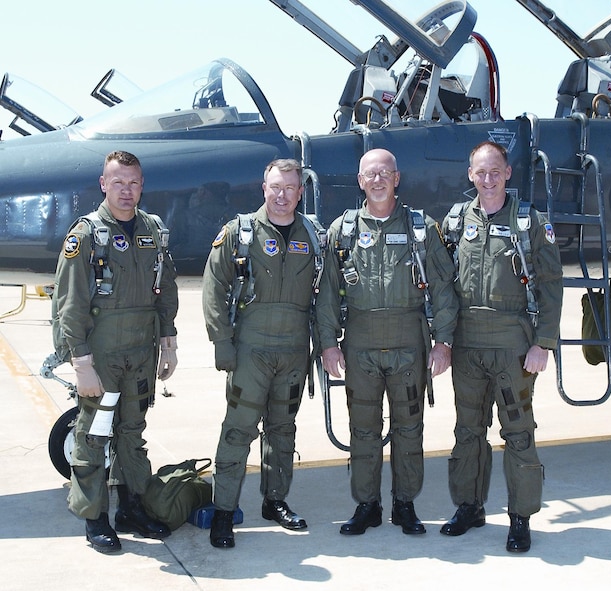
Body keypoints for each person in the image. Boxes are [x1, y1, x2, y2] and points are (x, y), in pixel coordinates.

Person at [316, 148, 458, 536]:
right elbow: (327, 292)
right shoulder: (341, 231)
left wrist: (443, 341)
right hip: (359, 342)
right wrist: (328, 343)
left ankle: (405, 504)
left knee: (409, 427)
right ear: (360, 181)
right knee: (362, 428)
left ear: (397, 178)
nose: (376, 180)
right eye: (369, 175)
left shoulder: (422, 228)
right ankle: (367, 505)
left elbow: (444, 288)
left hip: (408, 340)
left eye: (384, 173)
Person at [52, 150, 179, 554]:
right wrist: (81, 363)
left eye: (134, 183)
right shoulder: (87, 234)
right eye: (118, 182)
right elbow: (69, 304)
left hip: (141, 351)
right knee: (94, 435)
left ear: (142, 186)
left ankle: (131, 507)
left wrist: (168, 340)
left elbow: (166, 290)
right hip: (102, 354)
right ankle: (95, 518)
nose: (127, 191)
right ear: (103, 184)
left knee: (132, 433)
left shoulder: (153, 230)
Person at [439, 141, 563, 553]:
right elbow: (439, 285)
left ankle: (520, 517)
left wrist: (543, 343)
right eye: (480, 172)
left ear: (508, 173)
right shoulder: (456, 222)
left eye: (495, 171)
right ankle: (469, 507)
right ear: (470, 174)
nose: (488, 179)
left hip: (513, 345)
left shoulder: (530, 223)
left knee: (518, 432)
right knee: (467, 431)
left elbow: (551, 288)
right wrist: (442, 338)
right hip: (467, 344)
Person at [202, 158, 318, 549]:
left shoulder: (313, 235)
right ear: (263, 188)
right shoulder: (240, 233)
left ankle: (275, 501)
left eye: (290, 188)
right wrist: (221, 341)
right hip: (251, 349)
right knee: (238, 430)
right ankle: (223, 512)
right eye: (275, 187)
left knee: (283, 431)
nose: (282, 195)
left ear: (300, 192)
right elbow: (214, 286)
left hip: (293, 351)